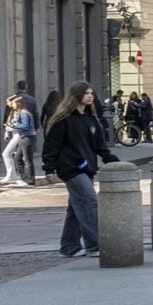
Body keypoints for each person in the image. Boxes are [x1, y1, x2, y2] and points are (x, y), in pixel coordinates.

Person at [43, 82, 115, 258]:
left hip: (87, 167)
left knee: (76, 208)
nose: (90, 96)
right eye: (86, 93)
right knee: (89, 201)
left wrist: (112, 160)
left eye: (92, 93)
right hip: (70, 168)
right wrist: (49, 168)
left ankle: (69, 247)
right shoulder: (63, 119)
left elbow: (100, 146)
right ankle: (94, 245)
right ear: (76, 95)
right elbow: (51, 145)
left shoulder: (92, 119)